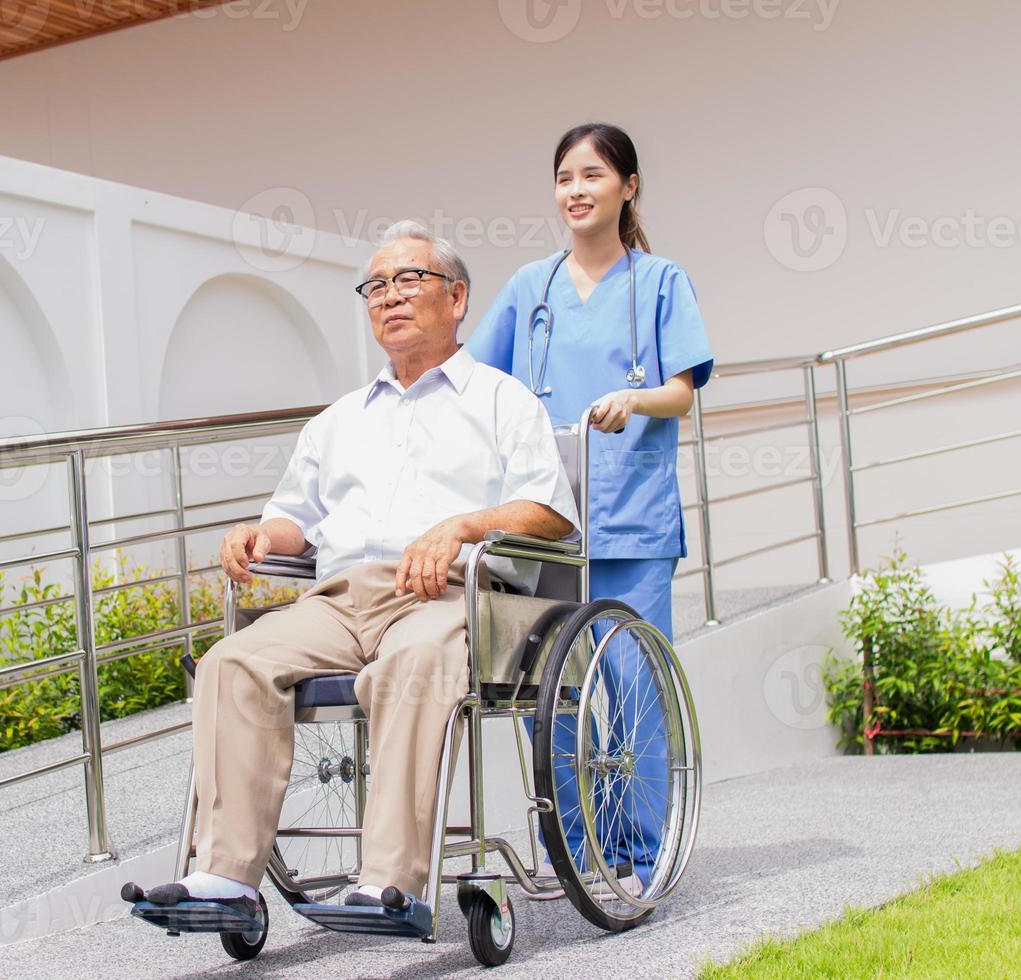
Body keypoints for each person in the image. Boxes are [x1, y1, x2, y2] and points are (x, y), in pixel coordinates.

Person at [122, 221, 579, 918]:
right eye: (376, 286)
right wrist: (257, 533)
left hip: (448, 596)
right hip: (337, 601)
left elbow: (549, 514)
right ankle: (227, 878)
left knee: (414, 661)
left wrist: (461, 526)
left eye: (409, 280)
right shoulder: (338, 420)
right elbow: (295, 522)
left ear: (456, 298)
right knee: (231, 661)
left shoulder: (501, 400)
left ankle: (389, 883)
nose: (389, 297)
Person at [466, 123, 713, 891]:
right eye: (564, 176)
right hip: (545, 527)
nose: (576, 189)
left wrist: (633, 399)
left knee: (633, 689)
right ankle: (572, 846)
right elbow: (476, 383)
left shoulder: (662, 281)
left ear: (628, 186)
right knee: (554, 698)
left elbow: (683, 392)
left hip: (632, 522)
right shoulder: (528, 289)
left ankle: (641, 851)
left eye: (593, 174)